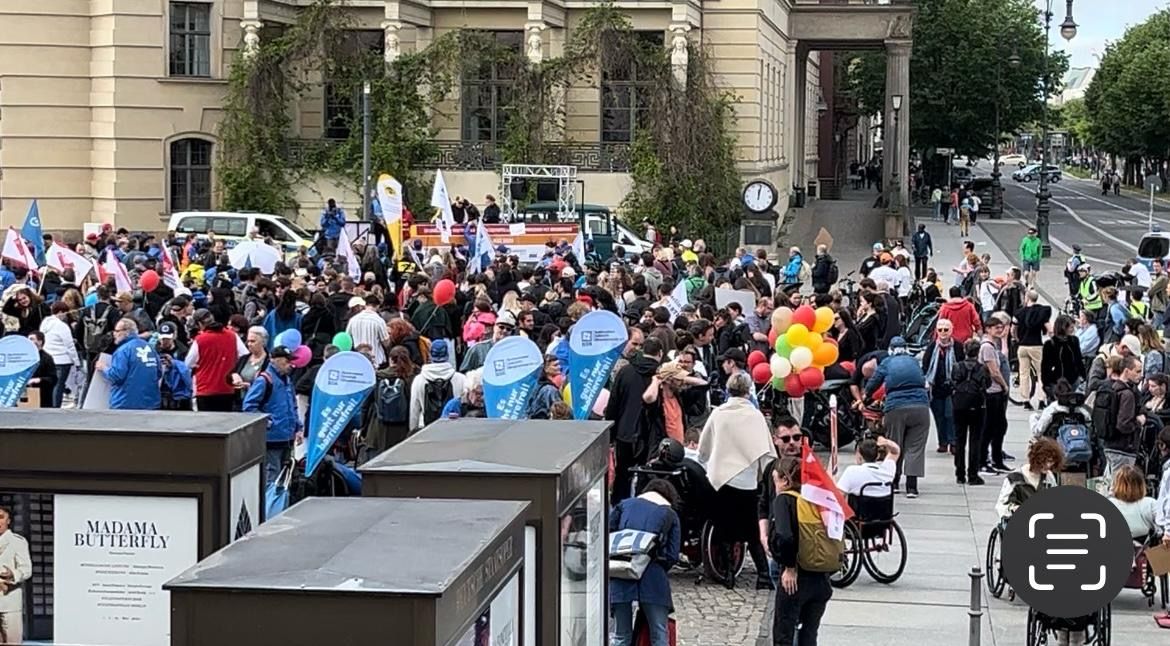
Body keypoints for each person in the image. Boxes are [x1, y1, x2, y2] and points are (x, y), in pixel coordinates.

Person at [698, 371, 776, 589]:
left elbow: (704, 446)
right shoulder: (755, 416)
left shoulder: (719, 414)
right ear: (748, 391)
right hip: (747, 480)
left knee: (722, 527)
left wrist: (705, 460)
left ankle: (729, 573)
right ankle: (763, 575)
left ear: (728, 390)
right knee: (751, 530)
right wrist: (764, 474)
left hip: (721, 478)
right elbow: (766, 450)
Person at [768, 455, 832, 646]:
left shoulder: (784, 500)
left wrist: (789, 567)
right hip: (821, 578)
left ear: (785, 480)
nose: (775, 485)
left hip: (797, 579)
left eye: (775, 479)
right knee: (809, 635)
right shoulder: (815, 498)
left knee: (784, 634)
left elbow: (785, 537)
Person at [609, 478, 681, 646]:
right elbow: (672, 555)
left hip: (621, 572)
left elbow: (609, 535)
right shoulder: (670, 514)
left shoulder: (624, 505)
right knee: (659, 635)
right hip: (653, 578)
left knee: (621, 636)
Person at [864, 337, 931, 497]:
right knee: (916, 447)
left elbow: (874, 381)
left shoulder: (887, 362)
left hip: (896, 408)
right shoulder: (914, 361)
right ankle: (912, 487)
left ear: (891, 349)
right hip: (920, 407)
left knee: (895, 444)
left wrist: (866, 396)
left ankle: (894, 482)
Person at [242, 345, 301, 484]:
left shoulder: (287, 381)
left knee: (286, 476)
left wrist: (298, 427)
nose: (290, 365)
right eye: (287, 361)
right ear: (276, 360)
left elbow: (293, 406)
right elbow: (248, 406)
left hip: (287, 438)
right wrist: (268, 423)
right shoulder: (264, 380)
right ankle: (271, 498)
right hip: (271, 439)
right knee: (272, 476)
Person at [100, 318, 161, 410]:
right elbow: (159, 372)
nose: (114, 334)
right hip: (150, 403)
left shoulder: (123, 351)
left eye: (117, 331)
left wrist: (104, 368)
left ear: (126, 332)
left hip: (125, 402)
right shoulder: (149, 347)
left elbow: (117, 376)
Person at [409, 340, 466, 433]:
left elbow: (414, 411)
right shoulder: (460, 379)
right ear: (447, 355)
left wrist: (413, 432)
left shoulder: (419, 380)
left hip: (426, 430)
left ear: (430, 355)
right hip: (453, 430)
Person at [979, 316, 1012, 476]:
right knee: (990, 428)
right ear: (988, 329)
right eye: (996, 328)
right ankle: (982, 461)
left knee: (999, 427)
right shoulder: (987, 347)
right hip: (991, 393)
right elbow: (994, 371)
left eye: (1001, 327)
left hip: (995, 392)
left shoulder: (993, 346)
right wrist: (1004, 385)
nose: (999, 330)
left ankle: (997, 459)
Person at [922, 319, 957, 453]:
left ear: (951, 331)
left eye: (946, 329)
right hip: (935, 387)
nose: (943, 332)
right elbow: (925, 366)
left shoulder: (957, 347)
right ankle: (943, 442)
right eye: (940, 330)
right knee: (939, 416)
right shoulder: (932, 348)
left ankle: (953, 442)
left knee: (950, 415)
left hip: (952, 388)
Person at [1015, 290, 1052, 409]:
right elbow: (1050, 329)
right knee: (1041, 373)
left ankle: (1025, 400)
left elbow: (1013, 329)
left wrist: (1017, 338)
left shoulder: (1019, 312)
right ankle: (1041, 400)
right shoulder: (1042, 312)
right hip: (1036, 345)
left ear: (1027, 298)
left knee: (1023, 373)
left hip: (1022, 346)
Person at [0, 505, 31, 645]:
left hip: (9, 603)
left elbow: (26, 569)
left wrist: (12, 574)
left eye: (1, 517)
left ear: (8, 520)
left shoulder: (17, 542)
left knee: (12, 641)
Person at [39, 301, 80, 408]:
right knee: (59, 386)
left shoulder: (45, 323)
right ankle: (56, 407)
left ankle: (49, 406)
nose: (66, 316)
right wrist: (76, 361)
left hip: (49, 358)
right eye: (65, 313)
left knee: (51, 385)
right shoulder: (62, 326)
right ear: (61, 312)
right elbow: (69, 346)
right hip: (62, 359)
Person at [836, 436, 901, 497]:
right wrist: (886, 442)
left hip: (858, 505)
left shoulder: (851, 471)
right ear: (878, 456)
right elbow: (895, 451)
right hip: (884, 505)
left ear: (859, 456)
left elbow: (839, 496)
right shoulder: (887, 470)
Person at [1108, 464, 1159, 540]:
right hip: (1145, 545)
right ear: (1141, 484)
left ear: (1116, 484)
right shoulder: (1151, 503)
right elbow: (1163, 526)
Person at [1041, 314, 1084, 399]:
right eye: (1071, 327)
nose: (1073, 329)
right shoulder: (1049, 345)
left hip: (1073, 380)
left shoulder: (1074, 341)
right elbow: (1045, 367)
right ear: (1063, 328)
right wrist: (1046, 384)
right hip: (1056, 382)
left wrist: (1083, 375)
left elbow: (1078, 360)